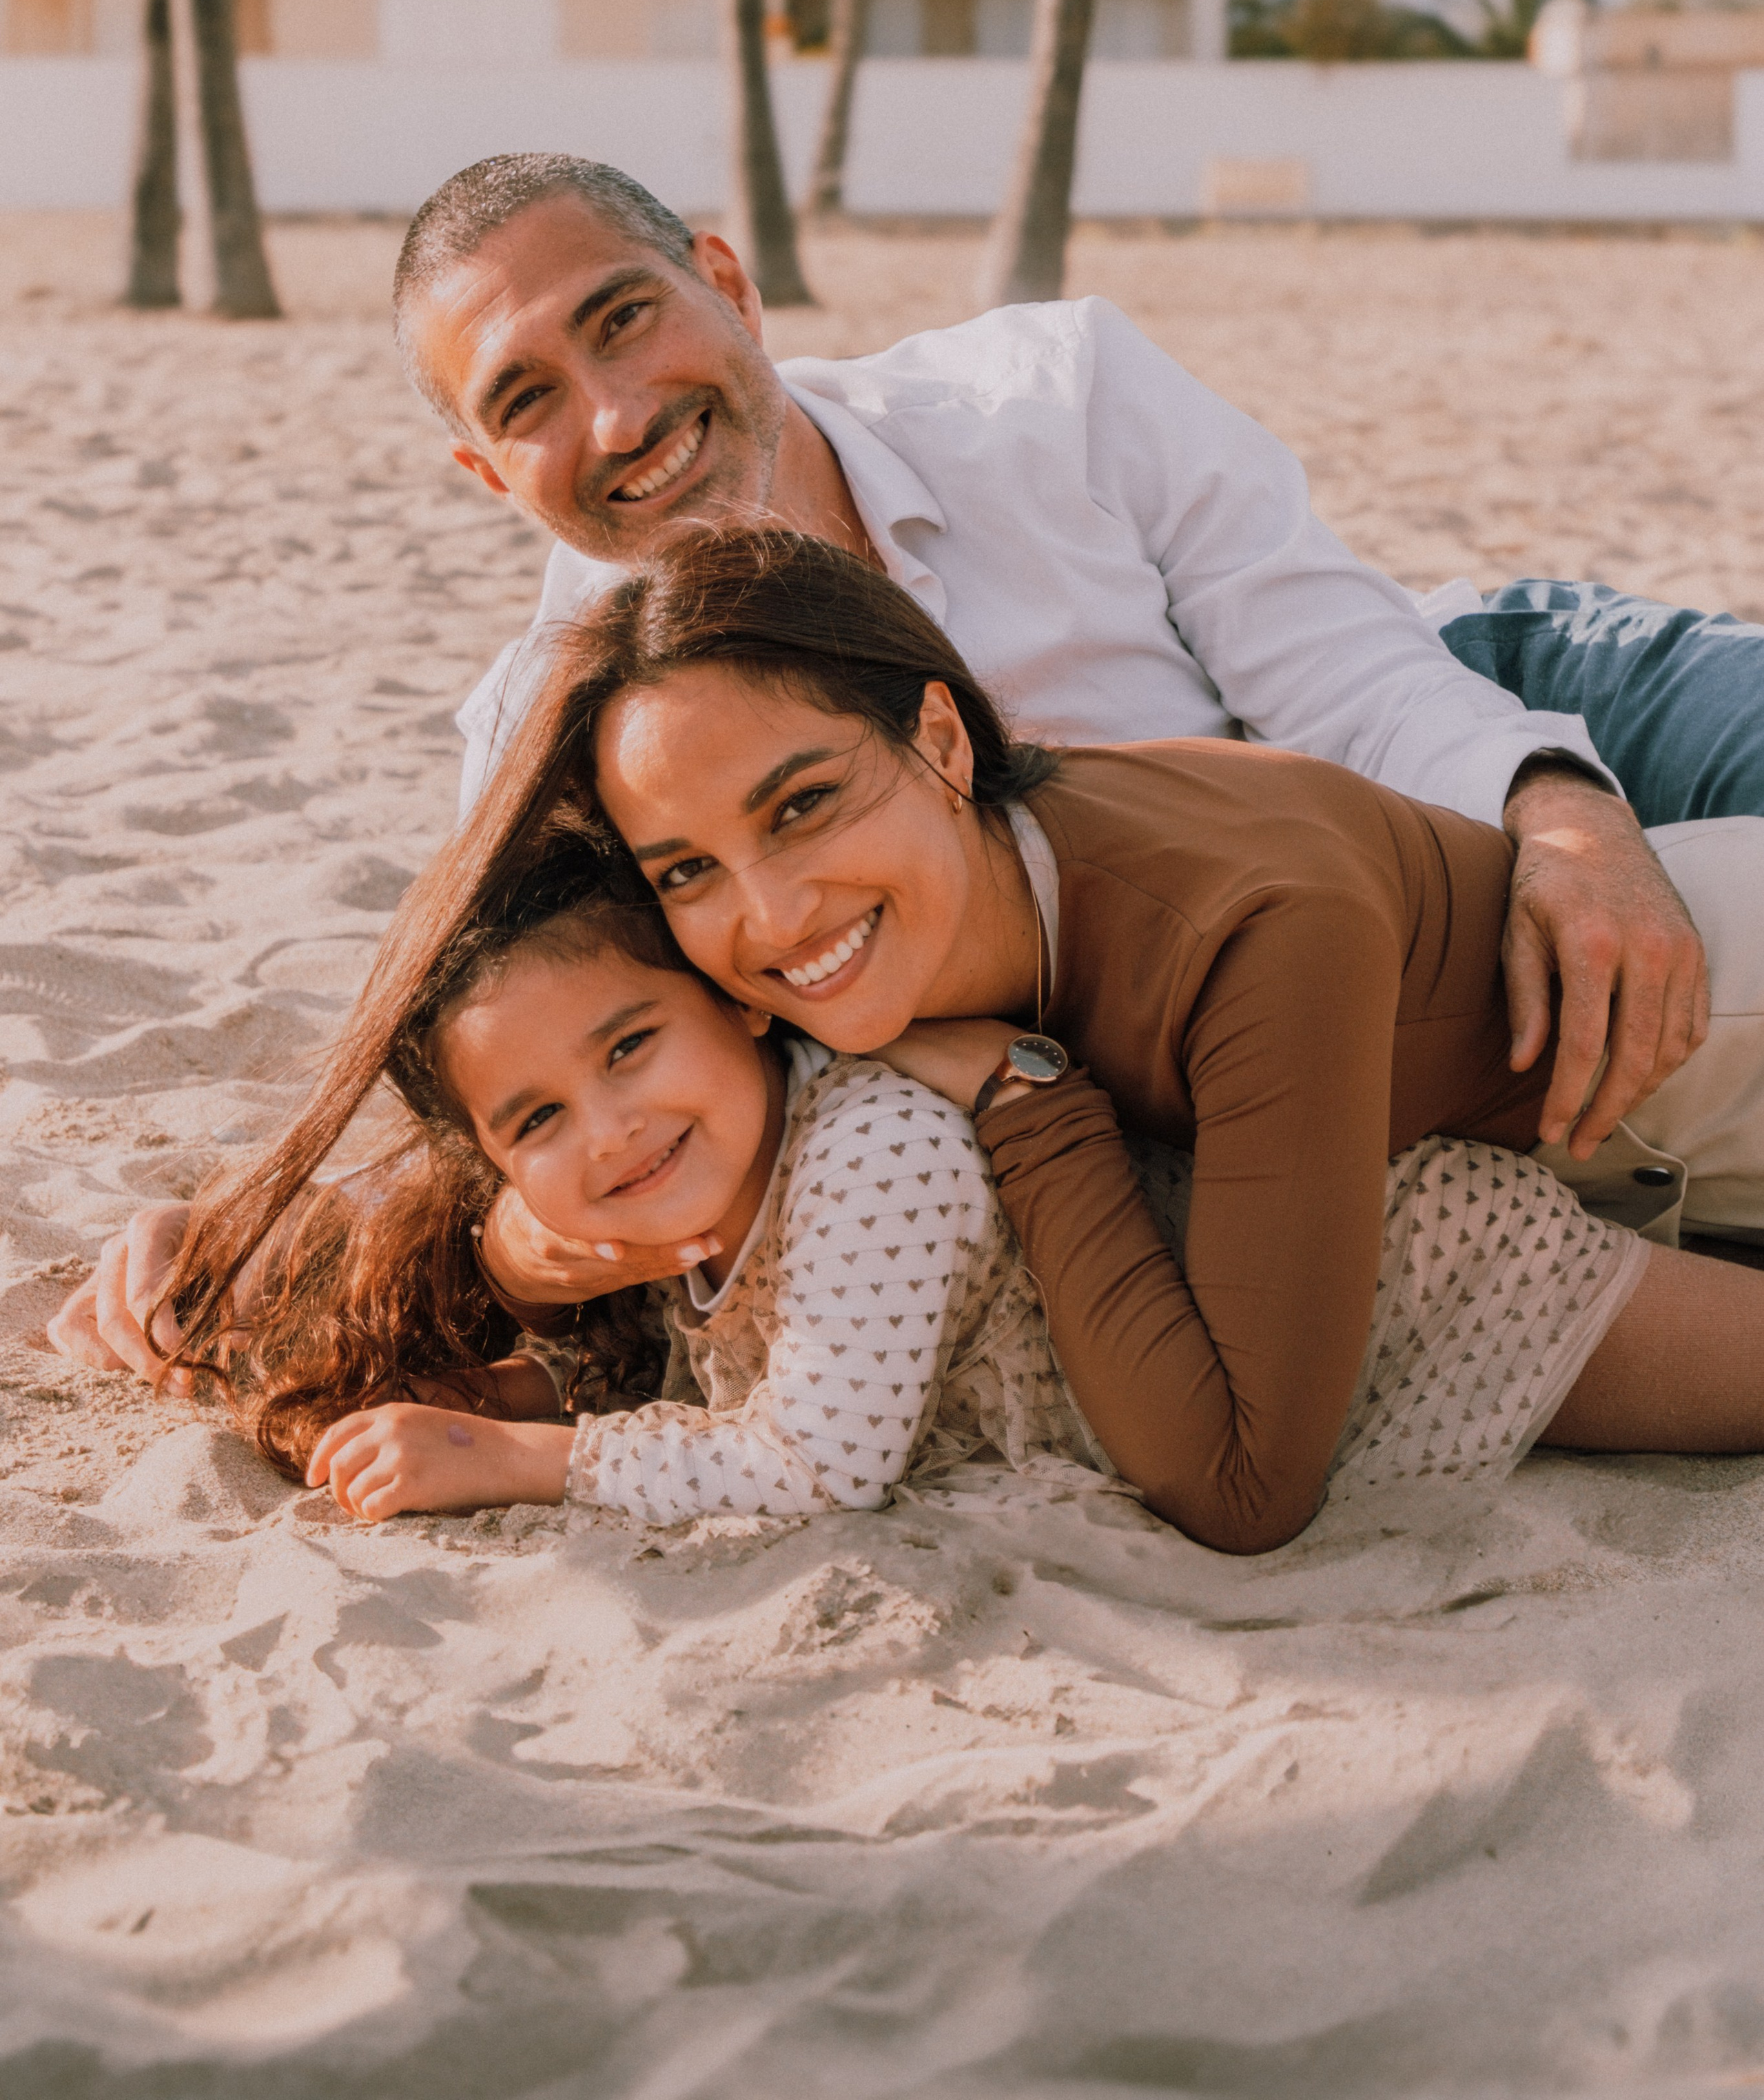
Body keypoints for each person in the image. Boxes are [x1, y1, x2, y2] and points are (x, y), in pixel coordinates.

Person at [46, 152, 1711, 1380]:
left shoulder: (1055, 391)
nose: (617, 417)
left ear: (728, 283)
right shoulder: (543, 741)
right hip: (1302, 951)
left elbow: (1344, 673)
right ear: (486, 475)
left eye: (627, 320)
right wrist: (272, 1227)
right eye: (531, 400)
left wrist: (1558, 817)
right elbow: (572, 1054)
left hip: (1472, 698)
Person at [444, 527, 1764, 1556]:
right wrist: (525, 1240)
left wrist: (1025, 1101)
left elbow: (1244, 1486)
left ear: (942, 741)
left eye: (803, 806)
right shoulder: (862, 948)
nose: (770, 917)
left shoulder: (1247, 934)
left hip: (1706, 1043)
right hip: (1561, 1158)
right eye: (688, 870)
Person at [168, 851, 1094, 1526]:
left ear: (738, 998)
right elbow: (699, 1374)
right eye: (538, 1121)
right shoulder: (688, 1188)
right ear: (499, 1175)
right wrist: (518, 1389)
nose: (611, 1133)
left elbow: (819, 1466)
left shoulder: (878, 1144)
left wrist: (505, 1456)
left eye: (629, 1047)